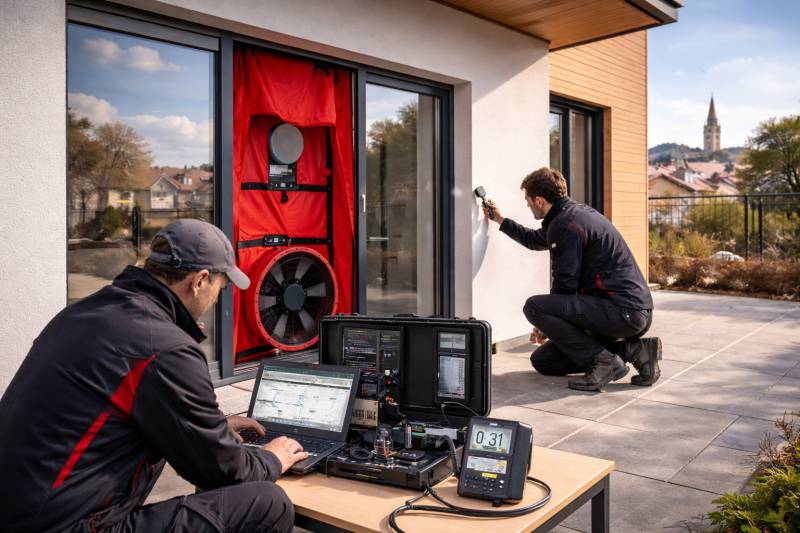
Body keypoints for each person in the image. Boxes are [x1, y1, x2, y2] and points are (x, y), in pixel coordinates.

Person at [0, 219, 308, 532]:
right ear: (200, 280)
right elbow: (224, 472)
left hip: (21, 514)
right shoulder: (163, 347)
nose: (218, 298)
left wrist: (210, 429)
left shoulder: (84, 313)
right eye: (221, 287)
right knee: (266, 502)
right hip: (68, 525)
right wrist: (273, 457)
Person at [483, 167, 661, 391]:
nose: (528, 206)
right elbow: (535, 239)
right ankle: (634, 350)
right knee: (544, 361)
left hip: (622, 310)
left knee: (534, 307)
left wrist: (546, 319)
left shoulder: (566, 224)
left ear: (539, 200)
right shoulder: (571, 215)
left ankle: (605, 362)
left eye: (528, 202)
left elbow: (565, 282)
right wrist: (500, 219)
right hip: (628, 312)